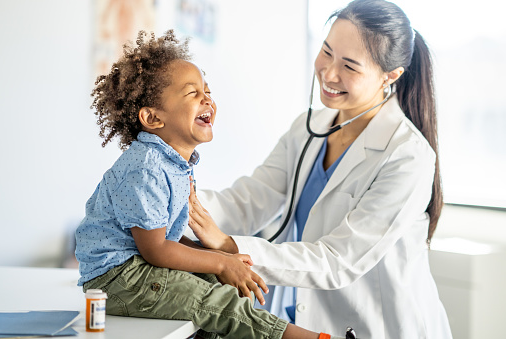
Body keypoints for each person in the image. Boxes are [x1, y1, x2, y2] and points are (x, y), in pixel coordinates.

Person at [187, 0, 453, 338]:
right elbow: (248, 200)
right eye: (326, 52)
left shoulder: (407, 156)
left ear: (390, 76)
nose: (328, 73)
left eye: (349, 66)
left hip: (381, 327)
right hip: (312, 318)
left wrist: (228, 247)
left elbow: (338, 260)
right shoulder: (309, 127)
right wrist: (174, 199)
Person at [75, 30, 339, 339]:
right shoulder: (146, 168)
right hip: (116, 278)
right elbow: (156, 250)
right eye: (192, 93)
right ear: (153, 117)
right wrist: (218, 260)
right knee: (219, 301)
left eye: (207, 91)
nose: (207, 99)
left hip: (139, 265)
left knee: (222, 284)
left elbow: (165, 238)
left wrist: (220, 261)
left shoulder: (176, 164)